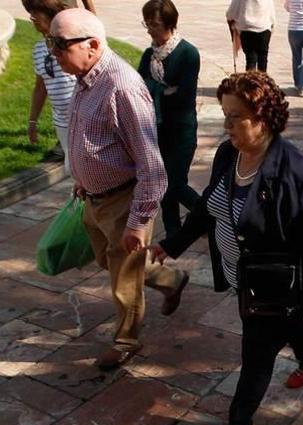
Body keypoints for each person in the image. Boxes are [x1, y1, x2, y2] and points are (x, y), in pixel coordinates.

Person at [150, 72, 303, 425]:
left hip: (274, 282)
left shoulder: (299, 173)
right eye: (225, 115)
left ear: (263, 117)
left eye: (236, 117)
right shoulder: (227, 155)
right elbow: (206, 209)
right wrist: (172, 244)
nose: (227, 125)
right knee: (279, 325)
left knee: (257, 351)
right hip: (241, 276)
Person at [49, 8, 190, 370]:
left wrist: (138, 222)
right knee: (110, 262)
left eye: (60, 44)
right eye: (52, 43)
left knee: (123, 279)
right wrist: (82, 178)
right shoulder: (85, 79)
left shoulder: (122, 87)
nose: (53, 52)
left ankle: (126, 340)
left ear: (92, 45)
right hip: (94, 198)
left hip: (124, 200)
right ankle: (172, 278)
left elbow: (152, 167)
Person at [138, 0, 201, 238]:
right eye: (147, 24)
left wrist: (155, 90)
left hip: (182, 130)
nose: (150, 30)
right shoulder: (148, 55)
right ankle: (173, 231)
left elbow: (183, 95)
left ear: (170, 23)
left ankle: (210, 216)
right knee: (163, 185)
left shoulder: (187, 53)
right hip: (157, 131)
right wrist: (163, 90)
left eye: (155, 24)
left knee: (174, 184)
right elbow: (138, 88)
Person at [23, 0, 77, 175]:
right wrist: (32, 121)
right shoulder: (39, 49)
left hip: (82, 119)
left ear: (51, 15)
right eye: (30, 12)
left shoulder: (70, 44)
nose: (32, 17)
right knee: (72, 170)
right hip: (61, 123)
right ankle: (81, 201)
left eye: (35, 12)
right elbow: (40, 88)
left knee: (82, 169)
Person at [227, 0, 276, 72]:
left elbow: (230, 14)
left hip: (247, 29)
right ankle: (262, 81)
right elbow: (272, 14)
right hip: (264, 28)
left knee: (250, 59)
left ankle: (250, 81)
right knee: (263, 59)